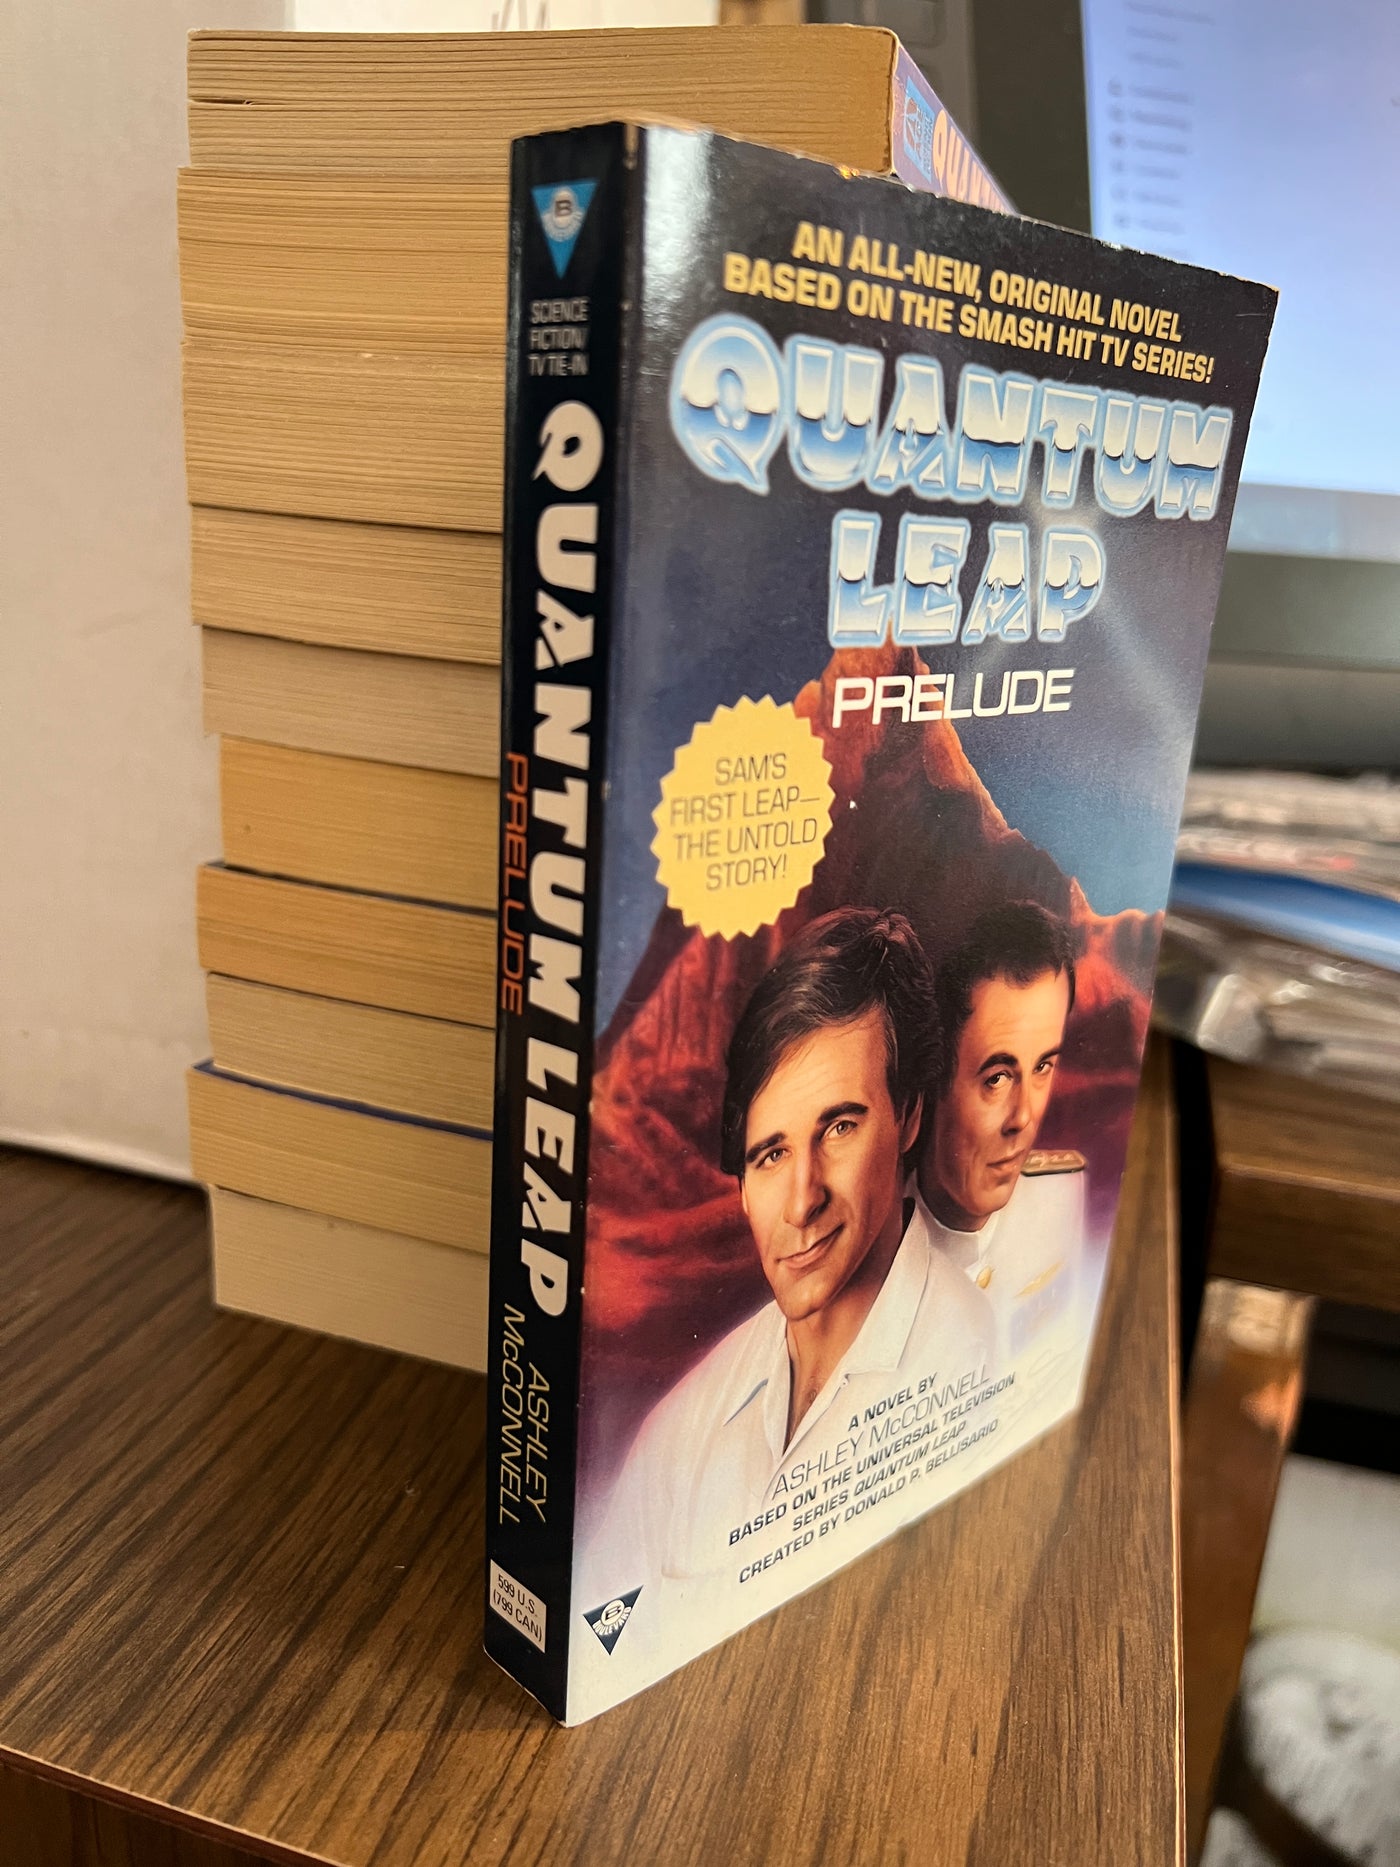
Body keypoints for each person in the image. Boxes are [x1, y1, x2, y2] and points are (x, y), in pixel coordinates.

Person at [578, 907, 995, 1659]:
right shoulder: (684, 1422)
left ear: (908, 1118)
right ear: (741, 1187)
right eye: (770, 1154)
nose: (801, 1201)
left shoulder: (971, 1351)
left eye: (839, 1127)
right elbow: (599, 1640)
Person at [917, 901, 1087, 1370]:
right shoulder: (873, 1260)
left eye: (1043, 1067)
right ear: (934, 1076)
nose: (1025, 1116)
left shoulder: (1060, 1195)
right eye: (997, 1077)